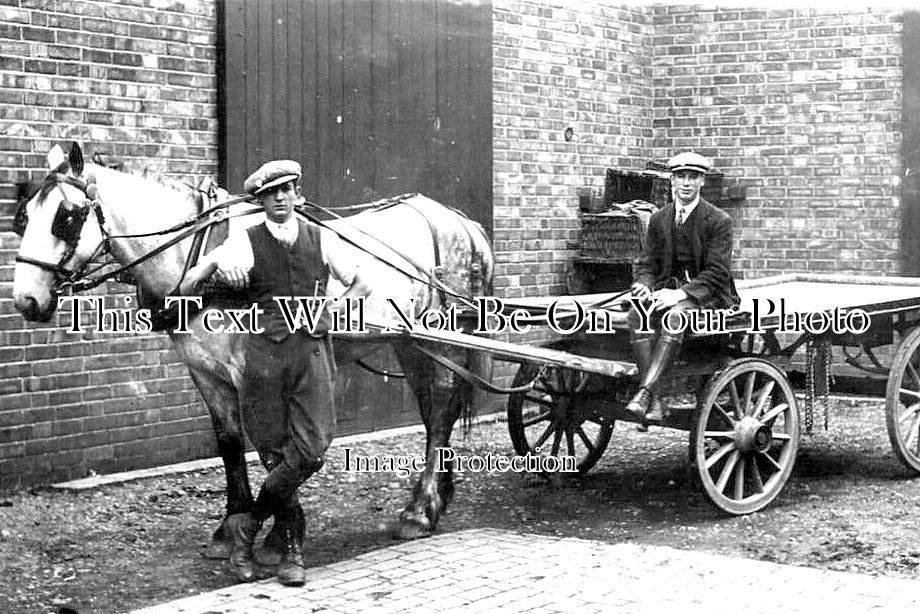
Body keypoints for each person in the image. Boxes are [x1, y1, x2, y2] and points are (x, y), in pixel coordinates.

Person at [181, 160, 370, 585]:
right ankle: (292, 550)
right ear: (260, 201)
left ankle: (245, 526)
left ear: (297, 194)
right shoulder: (244, 241)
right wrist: (218, 271)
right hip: (264, 359)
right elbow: (190, 280)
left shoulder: (323, 238)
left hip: (311, 355)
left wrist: (333, 309)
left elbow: (361, 284)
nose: (280, 199)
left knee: (312, 449)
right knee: (273, 451)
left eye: (286, 191)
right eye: (271, 194)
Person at [625, 152, 739, 429]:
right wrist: (643, 285)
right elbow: (647, 263)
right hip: (666, 292)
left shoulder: (718, 220)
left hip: (706, 295)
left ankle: (647, 392)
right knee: (636, 314)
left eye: (693, 177)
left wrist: (680, 295)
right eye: (680, 177)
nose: (686, 183)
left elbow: (717, 273)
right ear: (672, 180)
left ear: (702, 182)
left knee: (675, 317)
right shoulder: (659, 218)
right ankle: (656, 399)